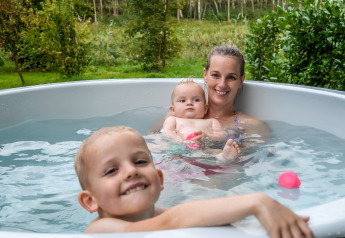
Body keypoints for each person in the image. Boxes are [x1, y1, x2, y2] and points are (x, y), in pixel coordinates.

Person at [74, 126, 314, 237]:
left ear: (159, 179)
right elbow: (175, 219)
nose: (130, 172)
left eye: (139, 162)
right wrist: (257, 202)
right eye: (112, 170)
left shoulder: (157, 213)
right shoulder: (101, 229)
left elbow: (197, 216)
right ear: (90, 200)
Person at [203, 45, 269, 147]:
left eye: (231, 77)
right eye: (215, 75)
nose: (222, 85)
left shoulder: (252, 126)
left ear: (241, 80)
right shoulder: (181, 115)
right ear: (205, 75)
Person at [162, 79, 241, 164]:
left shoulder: (211, 121)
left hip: (204, 149)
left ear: (205, 108)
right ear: (173, 110)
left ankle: (225, 157)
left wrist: (207, 136)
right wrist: (180, 140)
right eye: (182, 100)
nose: (189, 103)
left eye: (196, 100)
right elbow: (168, 132)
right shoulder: (173, 120)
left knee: (215, 151)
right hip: (179, 149)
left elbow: (221, 135)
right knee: (162, 147)